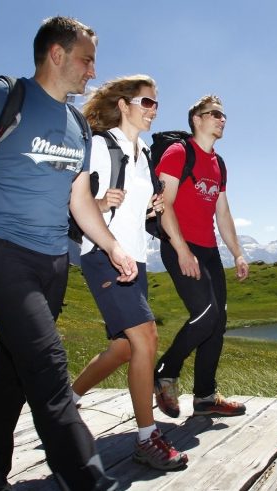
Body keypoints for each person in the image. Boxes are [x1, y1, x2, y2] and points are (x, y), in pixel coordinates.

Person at [0, 16, 134, 491]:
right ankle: (86, 478)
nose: (92, 71)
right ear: (56, 54)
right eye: (86, 60)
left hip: (52, 259)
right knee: (46, 364)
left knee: (14, 370)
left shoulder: (78, 125)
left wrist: (111, 244)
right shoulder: (2, 97)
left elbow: (79, 200)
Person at [70, 75, 187, 470]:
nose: (153, 110)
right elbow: (77, 198)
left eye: (156, 104)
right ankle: (146, 438)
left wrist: (150, 208)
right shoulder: (102, 146)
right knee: (147, 338)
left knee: (124, 347)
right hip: (104, 254)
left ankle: (66, 403)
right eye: (146, 102)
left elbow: (138, 208)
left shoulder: (143, 155)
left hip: (134, 259)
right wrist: (101, 203)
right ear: (123, 105)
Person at [152, 95, 250, 419]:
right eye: (215, 114)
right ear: (197, 119)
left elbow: (223, 213)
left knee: (218, 321)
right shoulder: (179, 153)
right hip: (179, 244)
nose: (222, 119)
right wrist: (181, 249)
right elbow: (163, 204)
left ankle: (206, 397)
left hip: (208, 251)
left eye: (224, 115)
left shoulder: (219, 164)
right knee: (205, 314)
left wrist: (237, 253)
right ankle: (166, 370)